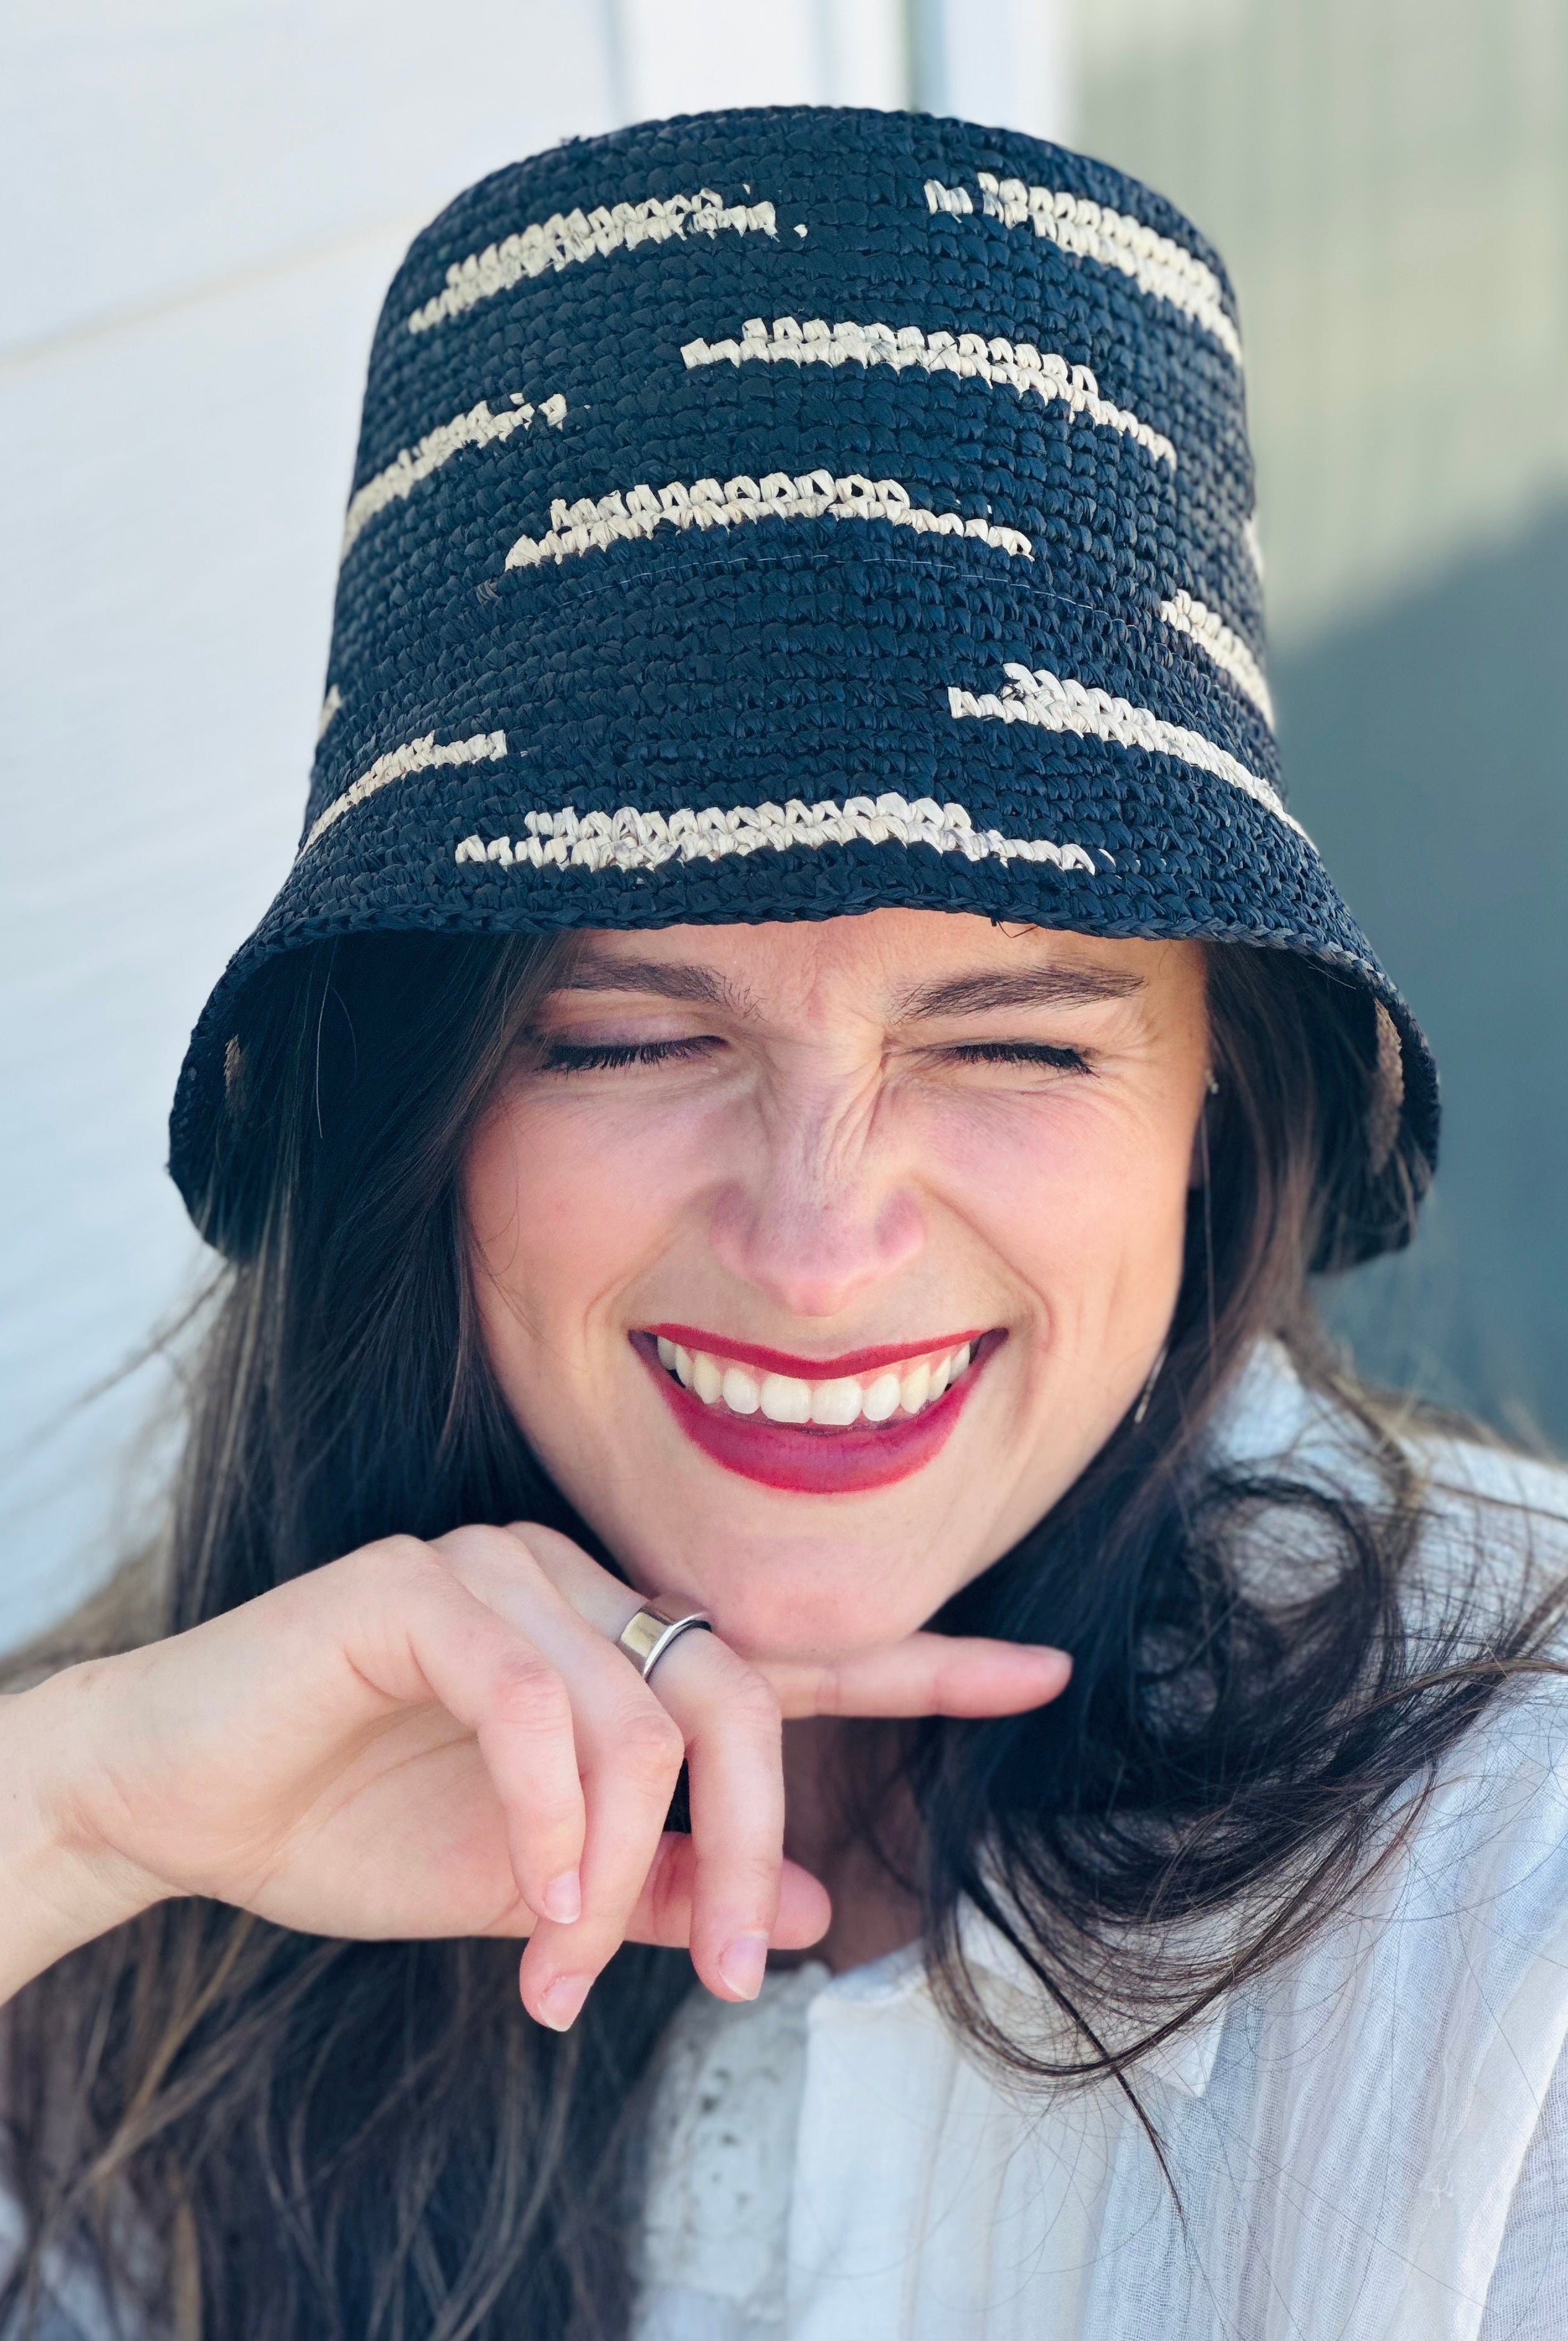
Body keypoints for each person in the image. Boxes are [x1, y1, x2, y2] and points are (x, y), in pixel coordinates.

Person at [2, 103, 1565, 2341]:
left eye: (1013, 1041)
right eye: (631, 1037)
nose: (820, 1243)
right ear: (413, 1120)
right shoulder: (202, 1797)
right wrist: (68, 1825)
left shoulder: (1516, 1905)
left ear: (1213, 1103)